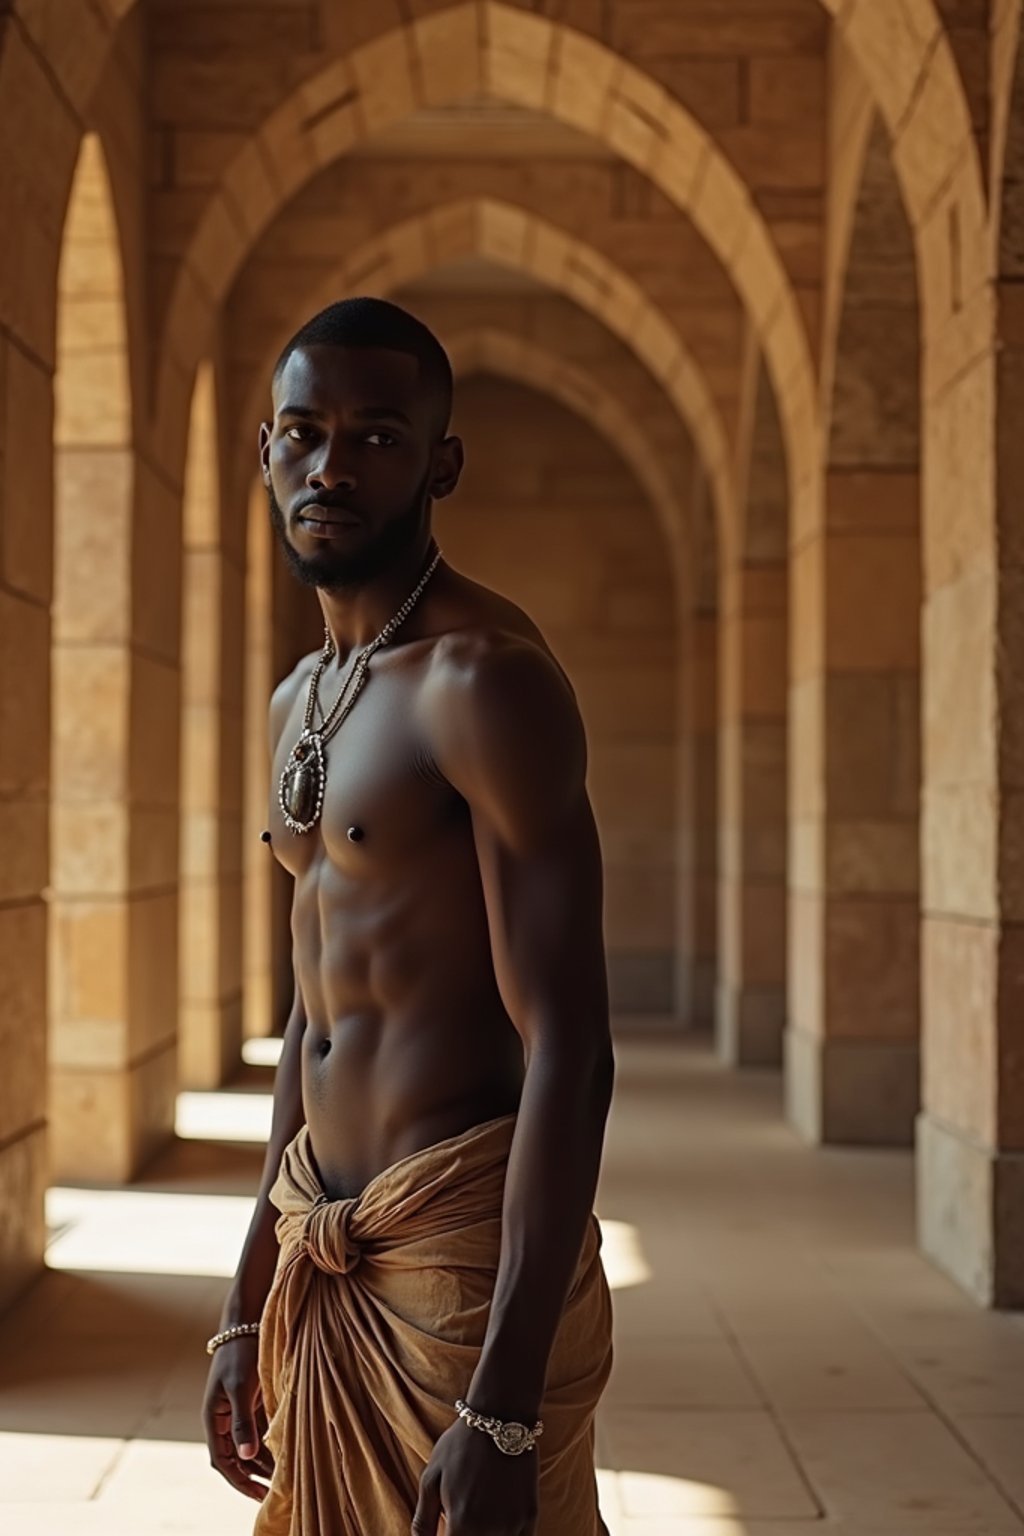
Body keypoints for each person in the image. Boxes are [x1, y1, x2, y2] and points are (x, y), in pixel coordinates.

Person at [202, 296, 615, 1536]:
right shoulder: (297, 699)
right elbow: (313, 1012)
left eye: (376, 436)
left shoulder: (484, 680)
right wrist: (246, 1298)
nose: (327, 464)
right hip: (326, 1240)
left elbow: (570, 1050)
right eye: (300, 432)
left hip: (457, 1269)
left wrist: (501, 1404)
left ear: (440, 463)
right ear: (268, 451)